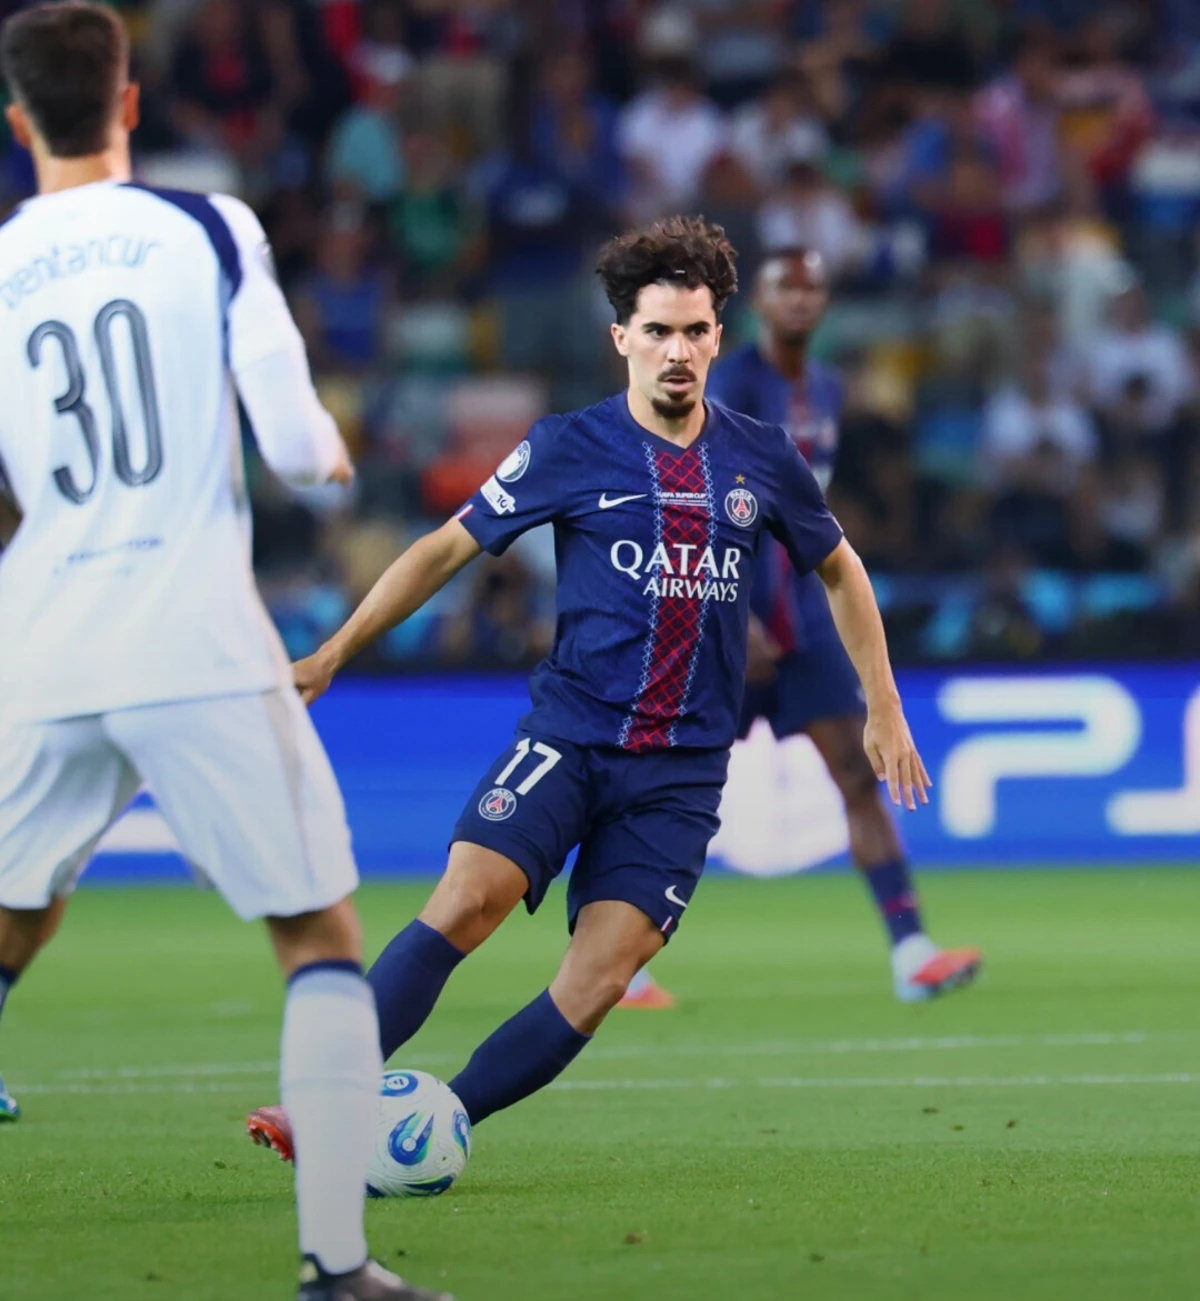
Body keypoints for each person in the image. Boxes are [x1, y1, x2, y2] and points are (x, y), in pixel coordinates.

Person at [246, 215, 930, 1161]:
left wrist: (881, 705)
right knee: (467, 899)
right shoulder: (569, 445)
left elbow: (842, 569)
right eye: (657, 331)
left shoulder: (760, 454)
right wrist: (332, 652)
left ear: (719, 337)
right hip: (570, 737)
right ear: (622, 339)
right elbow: (446, 547)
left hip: (684, 771)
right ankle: (318, 1099)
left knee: (602, 976)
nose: (678, 351)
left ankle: (437, 1125)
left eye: (695, 331)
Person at [0, 7, 445, 1300]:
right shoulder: (207, 227)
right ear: (129, 104)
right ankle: (336, 1263)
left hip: (42, 643)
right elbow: (304, 450)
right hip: (192, 633)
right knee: (317, 936)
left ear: (19, 122)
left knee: (16, 916)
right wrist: (337, 463)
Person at [623, 248, 980, 1011]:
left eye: (812, 286)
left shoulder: (823, 387)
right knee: (663, 790)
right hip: (725, 619)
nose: (800, 299)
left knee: (856, 774)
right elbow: (704, 499)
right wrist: (738, 609)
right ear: (761, 303)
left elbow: (802, 514)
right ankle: (619, 964)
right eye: (786, 286)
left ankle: (911, 951)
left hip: (806, 621)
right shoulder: (732, 384)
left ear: (824, 301)